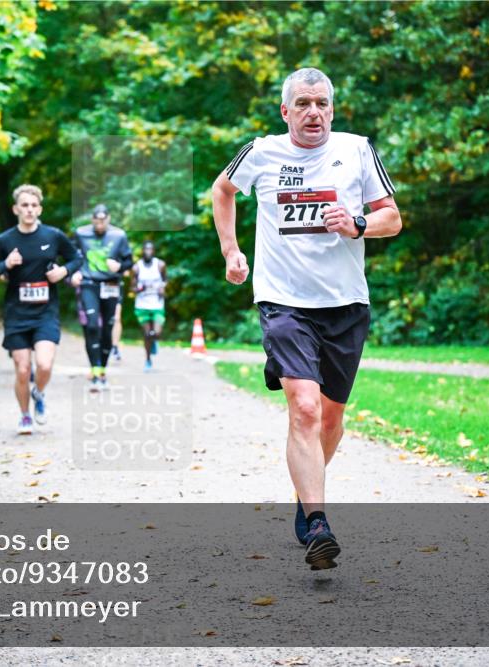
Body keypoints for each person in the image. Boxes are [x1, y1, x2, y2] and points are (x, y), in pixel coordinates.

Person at [211, 67, 402, 570]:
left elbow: (393, 217)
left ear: (332, 110)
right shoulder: (262, 151)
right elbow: (223, 190)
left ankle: (305, 492)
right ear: (286, 111)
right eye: (303, 103)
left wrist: (358, 224)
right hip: (283, 300)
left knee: (332, 417)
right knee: (305, 408)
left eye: (321, 103)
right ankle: (318, 521)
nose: (312, 111)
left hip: (344, 304)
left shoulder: (357, 149)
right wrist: (231, 251)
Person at [0, 184, 83, 435]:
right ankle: (25, 416)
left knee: (45, 365)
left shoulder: (53, 236)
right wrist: (6, 264)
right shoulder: (5, 240)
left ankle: (39, 393)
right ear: (16, 209)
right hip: (16, 313)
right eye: (24, 205)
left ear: (40, 209)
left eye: (34, 205)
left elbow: (76, 257)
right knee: (23, 368)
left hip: (46, 311)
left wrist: (63, 271)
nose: (29, 209)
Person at [69, 204, 134, 391]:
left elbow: (129, 261)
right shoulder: (81, 234)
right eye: (96, 221)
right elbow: (71, 257)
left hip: (111, 285)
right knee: (91, 325)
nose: (100, 225)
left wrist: (120, 267)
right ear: (92, 220)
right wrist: (72, 273)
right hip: (89, 283)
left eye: (103, 221)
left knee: (107, 329)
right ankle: (94, 369)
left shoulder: (119, 235)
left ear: (109, 219)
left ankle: (102, 370)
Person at [131, 241, 167, 372]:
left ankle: (154, 340)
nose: (148, 252)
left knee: (156, 333)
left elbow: (165, 280)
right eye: (145, 250)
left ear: (154, 251)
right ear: (142, 252)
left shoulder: (160, 265)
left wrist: (163, 289)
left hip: (157, 304)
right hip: (142, 305)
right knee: (147, 333)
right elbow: (132, 287)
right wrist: (140, 288)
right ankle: (148, 360)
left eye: (150, 250)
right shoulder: (137, 268)